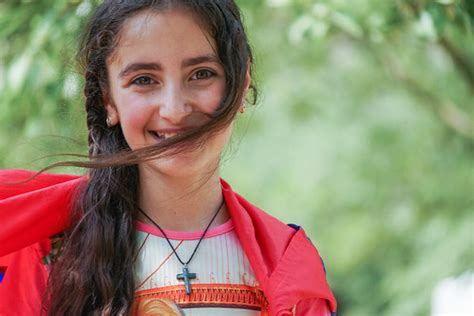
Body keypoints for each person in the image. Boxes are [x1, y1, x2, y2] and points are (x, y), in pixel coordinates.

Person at [0, 1, 337, 315]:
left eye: (201, 73)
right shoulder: (48, 252)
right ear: (108, 99)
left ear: (241, 80)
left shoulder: (289, 264)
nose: (174, 110)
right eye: (144, 80)